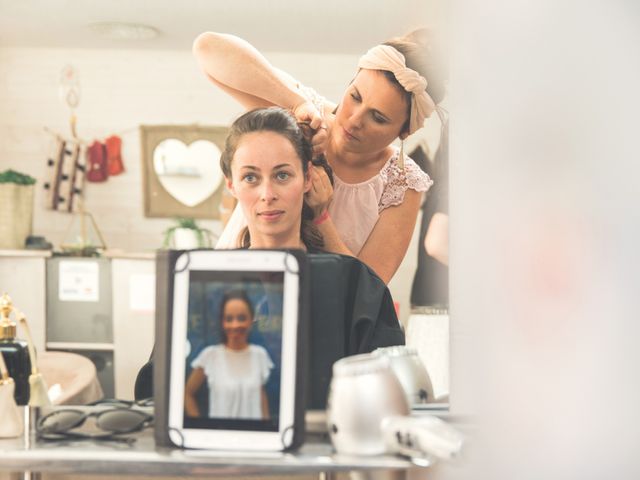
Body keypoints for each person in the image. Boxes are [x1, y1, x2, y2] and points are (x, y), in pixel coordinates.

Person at [193, 29, 446, 284]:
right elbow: (207, 48)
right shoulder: (303, 116)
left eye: (378, 117)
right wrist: (295, 103)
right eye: (355, 96)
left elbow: (371, 291)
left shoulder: (403, 183)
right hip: (235, 286)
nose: (355, 120)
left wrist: (322, 219)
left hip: (320, 311)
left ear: (404, 131)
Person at [184, 289, 274, 419]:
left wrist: (267, 429)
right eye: (229, 319)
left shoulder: (260, 355)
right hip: (219, 436)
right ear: (222, 322)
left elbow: (260, 396)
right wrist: (199, 424)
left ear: (251, 320)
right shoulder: (210, 356)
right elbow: (187, 393)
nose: (235, 325)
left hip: (253, 436)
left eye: (241, 318)